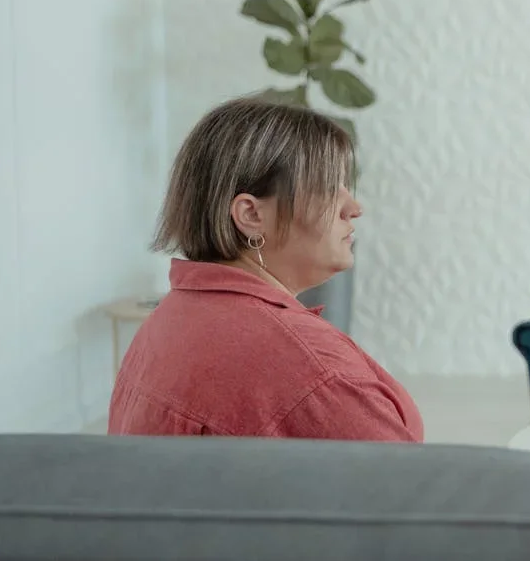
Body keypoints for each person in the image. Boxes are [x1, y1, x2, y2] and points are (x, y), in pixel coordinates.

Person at [109, 96, 424, 442]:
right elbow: (405, 486)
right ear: (251, 215)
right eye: (326, 187)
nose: (353, 207)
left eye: (346, 186)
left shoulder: (167, 321)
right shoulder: (308, 368)